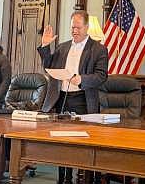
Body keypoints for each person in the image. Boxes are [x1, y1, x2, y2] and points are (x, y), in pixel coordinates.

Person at [38, 10, 108, 184]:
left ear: (86, 27)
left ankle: (83, 179)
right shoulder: (62, 46)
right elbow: (48, 66)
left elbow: (101, 76)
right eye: (72, 27)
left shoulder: (98, 49)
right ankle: (63, 179)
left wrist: (81, 79)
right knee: (63, 143)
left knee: (81, 143)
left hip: (83, 99)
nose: (74, 31)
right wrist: (45, 47)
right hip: (61, 98)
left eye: (78, 27)